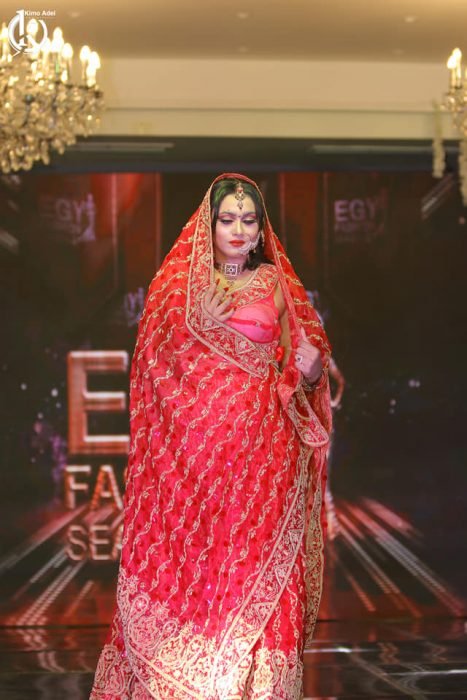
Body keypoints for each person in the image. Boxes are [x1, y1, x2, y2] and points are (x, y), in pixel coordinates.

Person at [90, 173, 332, 699]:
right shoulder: (178, 288)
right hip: (194, 465)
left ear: (262, 229)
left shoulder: (276, 284)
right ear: (209, 225)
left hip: (265, 457)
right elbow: (154, 368)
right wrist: (194, 325)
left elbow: (301, 366)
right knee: (200, 569)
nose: (239, 231)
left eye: (249, 220)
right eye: (227, 220)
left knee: (256, 569)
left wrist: (313, 372)